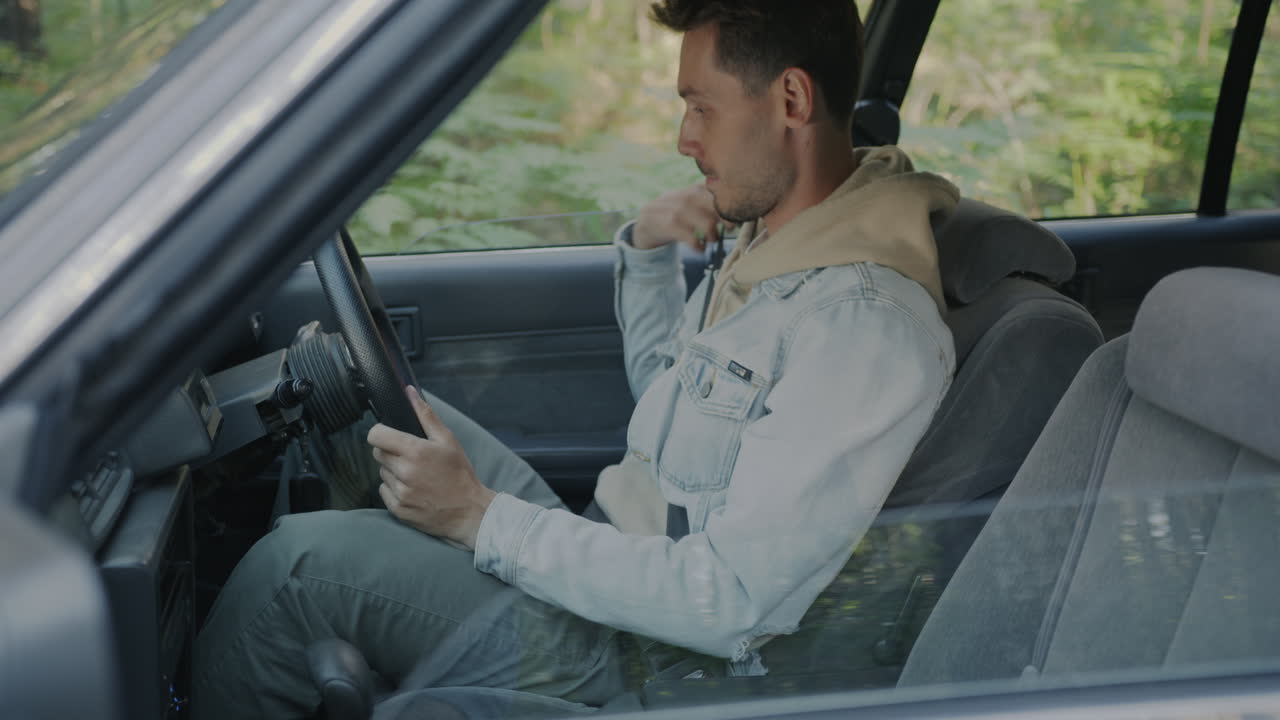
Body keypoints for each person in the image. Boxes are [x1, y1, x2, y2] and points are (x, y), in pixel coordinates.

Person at [193, 1, 959, 717]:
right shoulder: (784, 244)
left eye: (702, 107)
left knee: (289, 577)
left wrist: (482, 519)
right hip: (611, 557)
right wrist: (651, 257)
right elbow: (674, 419)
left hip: (637, 655)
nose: (685, 139)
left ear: (791, 100)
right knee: (354, 401)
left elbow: (731, 600)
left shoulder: (861, 326)